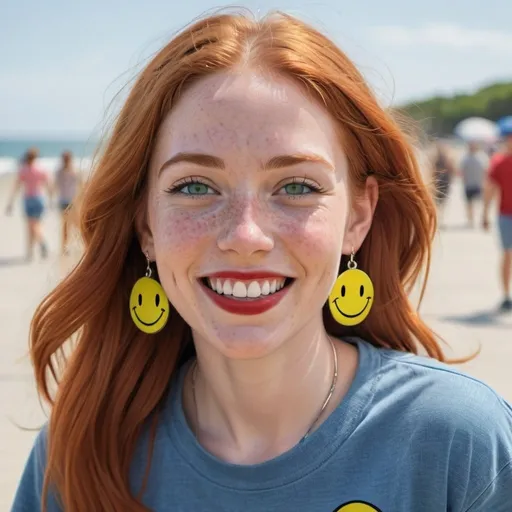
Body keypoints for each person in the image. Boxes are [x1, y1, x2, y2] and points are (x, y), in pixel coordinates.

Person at [12, 12, 512, 512]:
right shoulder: (79, 455)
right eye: (194, 186)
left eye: (297, 186)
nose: (245, 236)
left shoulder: (458, 444)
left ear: (358, 216)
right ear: (146, 224)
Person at [483, 127, 512, 311]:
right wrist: (484, 213)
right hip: (505, 215)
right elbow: (490, 189)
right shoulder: (498, 162)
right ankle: (506, 295)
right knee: (507, 254)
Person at [5, 147, 51, 260]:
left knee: (31, 226)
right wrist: (51, 198)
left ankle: (41, 242)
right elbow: (48, 184)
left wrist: (10, 202)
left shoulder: (24, 170)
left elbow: (17, 186)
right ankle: (30, 251)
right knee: (35, 224)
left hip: (29, 199)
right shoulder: (41, 169)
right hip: (40, 198)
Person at [55, 151, 81, 255]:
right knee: (76, 224)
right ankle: (67, 246)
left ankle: (65, 247)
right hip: (71, 201)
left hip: (64, 201)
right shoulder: (73, 171)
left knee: (67, 225)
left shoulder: (59, 172)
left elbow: (55, 186)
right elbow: (81, 185)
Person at [459, 140, 489, 227]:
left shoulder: (482, 157)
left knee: (478, 203)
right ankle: (471, 220)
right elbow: (462, 171)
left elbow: (486, 171)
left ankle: (477, 218)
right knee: (469, 203)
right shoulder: (465, 158)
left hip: (479, 184)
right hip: (469, 184)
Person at [430, 141, 456, 227]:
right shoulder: (444, 158)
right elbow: (452, 170)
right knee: (441, 202)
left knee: (438, 202)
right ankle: (439, 218)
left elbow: (432, 171)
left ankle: (438, 218)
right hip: (443, 181)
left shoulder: (436, 158)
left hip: (439, 181)